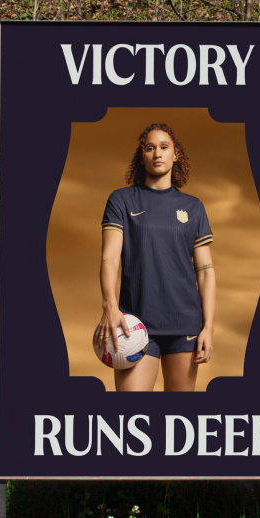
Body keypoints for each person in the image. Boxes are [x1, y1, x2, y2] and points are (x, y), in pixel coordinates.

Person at [96, 124, 216, 391]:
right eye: (149, 148)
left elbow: (205, 270)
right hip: (136, 325)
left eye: (164, 147)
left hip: (184, 324)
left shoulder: (193, 207)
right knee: (133, 420)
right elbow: (110, 258)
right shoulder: (121, 201)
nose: (157, 153)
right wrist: (110, 306)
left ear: (176, 155)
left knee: (178, 421)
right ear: (142, 157)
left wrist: (208, 326)